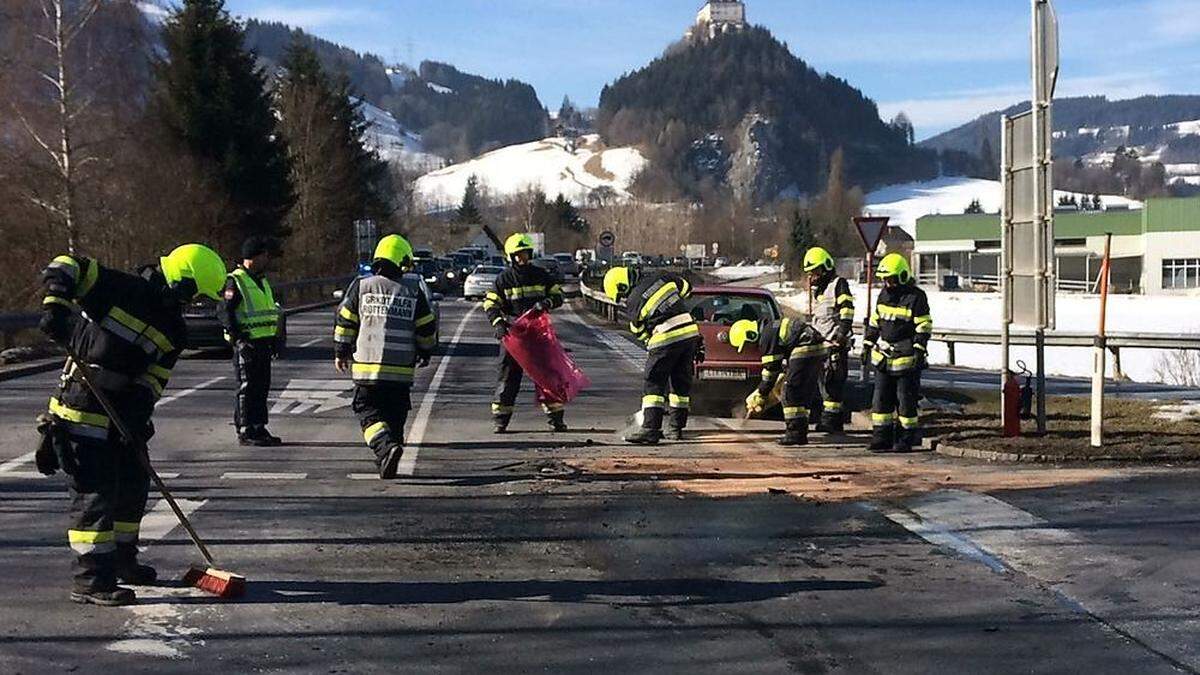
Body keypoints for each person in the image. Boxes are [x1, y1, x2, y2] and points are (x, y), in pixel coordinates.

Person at [36, 244, 227, 606]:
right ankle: (91, 579)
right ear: (181, 280)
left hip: (122, 416)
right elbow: (66, 265)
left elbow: (155, 378)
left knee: (133, 485)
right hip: (80, 409)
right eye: (194, 293)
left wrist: (138, 415)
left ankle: (124, 559)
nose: (193, 302)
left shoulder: (174, 328)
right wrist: (56, 306)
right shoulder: (118, 286)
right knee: (95, 496)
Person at [334, 234, 438, 479]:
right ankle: (389, 457)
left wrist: (341, 350)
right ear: (401, 261)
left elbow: (345, 321)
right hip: (401, 372)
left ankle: (385, 448)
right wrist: (425, 351)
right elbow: (426, 328)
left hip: (368, 370)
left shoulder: (362, 286)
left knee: (367, 411)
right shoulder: (413, 292)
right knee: (395, 415)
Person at [603, 265, 703, 444]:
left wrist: (651, 340)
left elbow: (638, 331)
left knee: (654, 382)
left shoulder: (633, 301)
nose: (623, 297)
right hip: (690, 333)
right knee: (680, 384)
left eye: (620, 294)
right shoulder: (662, 276)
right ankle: (676, 428)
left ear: (622, 286)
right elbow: (687, 290)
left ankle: (650, 428)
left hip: (666, 336)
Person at [484, 233, 566, 433]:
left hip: (538, 334)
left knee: (547, 376)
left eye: (525, 254)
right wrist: (498, 323)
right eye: (518, 255)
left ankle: (556, 418)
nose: (522, 259)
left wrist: (547, 302)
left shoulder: (541, 275)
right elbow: (491, 304)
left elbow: (558, 295)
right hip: (514, 335)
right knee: (508, 377)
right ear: (511, 257)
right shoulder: (504, 279)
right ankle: (501, 420)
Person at [862, 253, 933, 453]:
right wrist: (867, 344)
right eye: (884, 279)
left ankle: (905, 438)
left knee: (906, 401)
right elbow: (875, 323)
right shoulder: (883, 295)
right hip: (884, 359)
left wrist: (920, 348)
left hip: (906, 360)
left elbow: (924, 325)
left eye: (891, 279)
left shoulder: (916, 297)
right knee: (880, 400)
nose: (887, 283)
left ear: (902, 276)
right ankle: (881, 437)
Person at [218, 236, 283, 446]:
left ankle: (259, 426)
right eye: (263, 255)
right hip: (246, 345)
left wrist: (274, 339)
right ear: (252, 257)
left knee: (262, 386)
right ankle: (245, 429)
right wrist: (238, 337)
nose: (267, 259)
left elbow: (268, 312)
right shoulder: (235, 281)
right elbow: (224, 311)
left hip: (263, 342)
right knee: (247, 387)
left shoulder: (261, 280)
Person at [732, 316, 825, 446]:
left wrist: (761, 394)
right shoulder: (770, 328)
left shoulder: (766, 336)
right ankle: (800, 432)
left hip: (804, 349)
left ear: (751, 335)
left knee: (790, 391)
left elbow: (771, 371)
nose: (751, 347)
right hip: (815, 349)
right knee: (801, 393)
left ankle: (795, 434)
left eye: (748, 343)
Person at [802, 247, 855, 433]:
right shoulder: (820, 291)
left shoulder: (838, 285)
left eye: (815, 272)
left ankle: (832, 422)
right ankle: (829, 419)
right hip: (821, 346)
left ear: (825, 268)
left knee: (833, 385)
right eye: (810, 273)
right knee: (823, 385)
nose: (813, 277)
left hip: (835, 345)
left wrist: (841, 335)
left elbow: (847, 310)